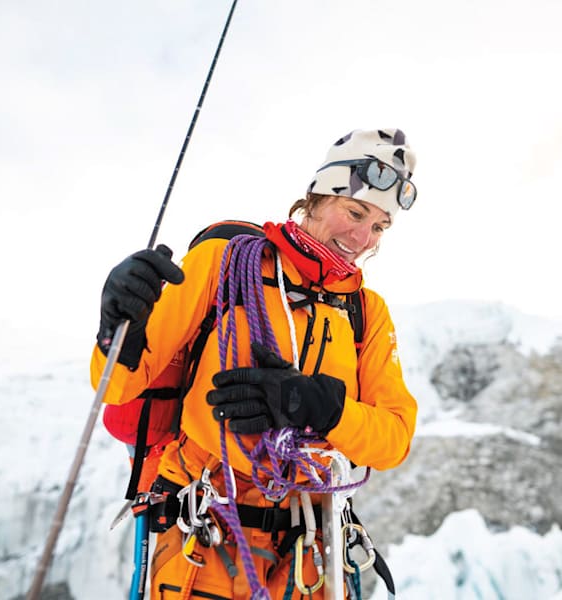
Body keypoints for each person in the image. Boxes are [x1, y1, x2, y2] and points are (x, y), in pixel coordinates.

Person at [91, 128, 419, 599]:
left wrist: (324, 408)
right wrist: (119, 328)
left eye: (380, 226)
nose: (363, 237)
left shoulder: (365, 312)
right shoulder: (223, 262)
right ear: (318, 198)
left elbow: (393, 439)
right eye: (355, 212)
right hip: (206, 528)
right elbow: (117, 387)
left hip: (311, 539)